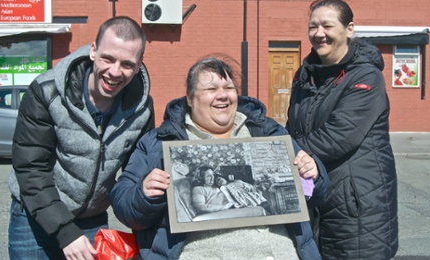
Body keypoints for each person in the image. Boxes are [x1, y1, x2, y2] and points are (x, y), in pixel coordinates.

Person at [109, 54, 329, 259]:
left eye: (228, 87)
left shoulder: (267, 131)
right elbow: (123, 204)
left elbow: (319, 193)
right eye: (211, 88)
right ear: (191, 99)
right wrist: (145, 194)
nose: (222, 95)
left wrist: (313, 173)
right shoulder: (159, 142)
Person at [7, 16, 155, 260]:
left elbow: (136, 173)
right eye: (108, 58)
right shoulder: (46, 91)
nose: (115, 72)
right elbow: (31, 169)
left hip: (91, 221)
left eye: (127, 64)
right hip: (34, 219)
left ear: (139, 65)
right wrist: (65, 231)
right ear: (94, 51)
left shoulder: (142, 109)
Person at [285, 0, 398, 259]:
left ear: (349, 29)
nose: (319, 34)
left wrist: (278, 154)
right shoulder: (305, 75)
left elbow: (338, 137)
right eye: (313, 26)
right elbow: (292, 127)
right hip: (317, 193)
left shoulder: (366, 77)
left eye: (327, 25)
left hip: (355, 202)